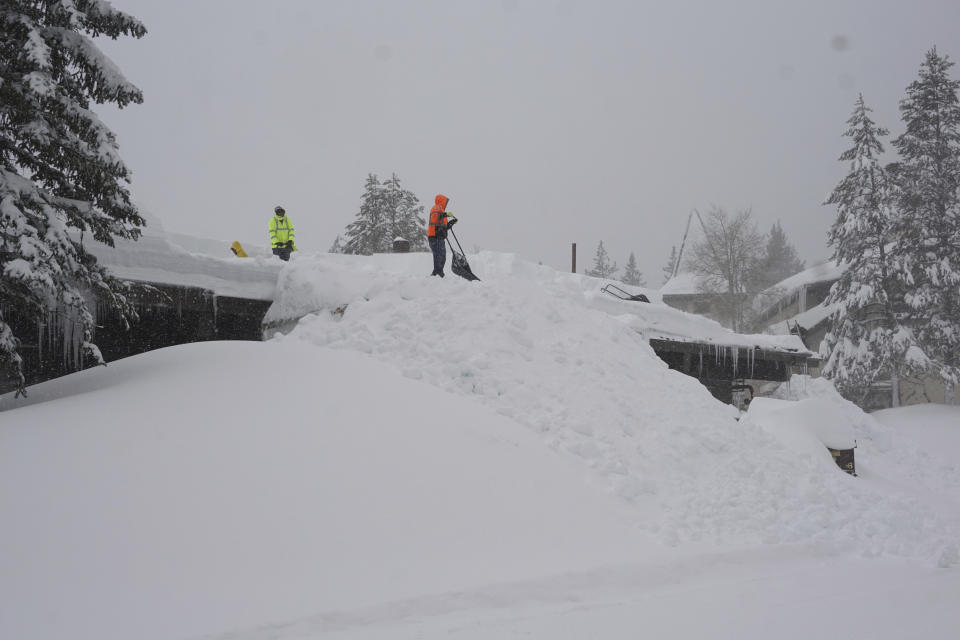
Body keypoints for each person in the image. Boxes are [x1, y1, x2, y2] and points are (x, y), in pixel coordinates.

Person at [426, 194, 457, 276]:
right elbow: (436, 218)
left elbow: (443, 227)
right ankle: (437, 273)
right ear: (441, 201)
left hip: (440, 237)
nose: (446, 204)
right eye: (445, 202)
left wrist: (451, 223)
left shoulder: (442, 211)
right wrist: (445, 215)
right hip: (434, 236)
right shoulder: (436, 207)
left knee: (442, 256)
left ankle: (438, 273)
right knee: (438, 255)